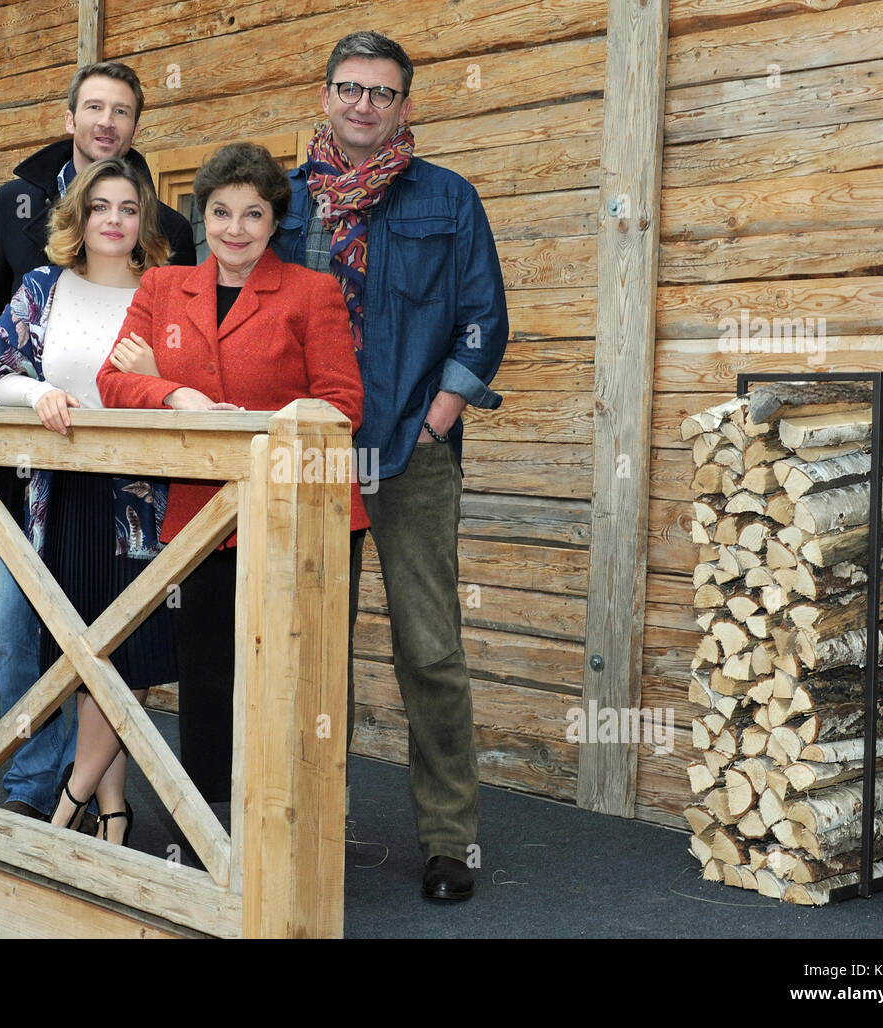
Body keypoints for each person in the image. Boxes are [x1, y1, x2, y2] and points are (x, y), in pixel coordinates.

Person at [0, 62, 195, 824]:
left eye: (122, 110)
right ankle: (40, 780)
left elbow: (196, 357)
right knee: (14, 630)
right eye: (93, 106)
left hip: (133, 492)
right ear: (70, 116)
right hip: (31, 481)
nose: (106, 120)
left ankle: (98, 797)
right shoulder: (21, 211)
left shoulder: (170, 253)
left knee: (116, 646)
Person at [272, 31, 509, 902]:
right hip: (311, 463)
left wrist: (437, 420)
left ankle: (450, 842)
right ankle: (310, 824)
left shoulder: (449, 199)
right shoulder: (282, 202)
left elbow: (483, 320)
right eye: (349, 88)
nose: (364, 104)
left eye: (382, 92)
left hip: (412, 456)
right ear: (324, 96)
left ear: (405, 105)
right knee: (311, 649)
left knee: (430, 651)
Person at [96, 142, 368, 808]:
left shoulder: (315, 292)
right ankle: (211, 836)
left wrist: (203, 396)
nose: (235, 229)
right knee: (208, 675)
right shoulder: (163, 288)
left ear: (275, 221)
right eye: (220, 212)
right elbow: (110, 381)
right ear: (203, 215)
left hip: (296, 513)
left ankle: (295, 832)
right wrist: (174, 394)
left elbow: (343, 403)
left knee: (292, 674)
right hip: (199, 514)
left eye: (253, 213)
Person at [0, 157, 175, 844]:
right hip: (57, 495)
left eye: (127, 208)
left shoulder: (166, 292)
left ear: (143, 219)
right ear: (79, 218)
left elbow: (195, 387)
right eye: (100, 207)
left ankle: (73, 796)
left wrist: (157, 376)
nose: (114, 220)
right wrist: (39, 394)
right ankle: (113, 809)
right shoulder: (43, 286)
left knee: (128, 653)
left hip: (141, 501)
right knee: (82, 651)